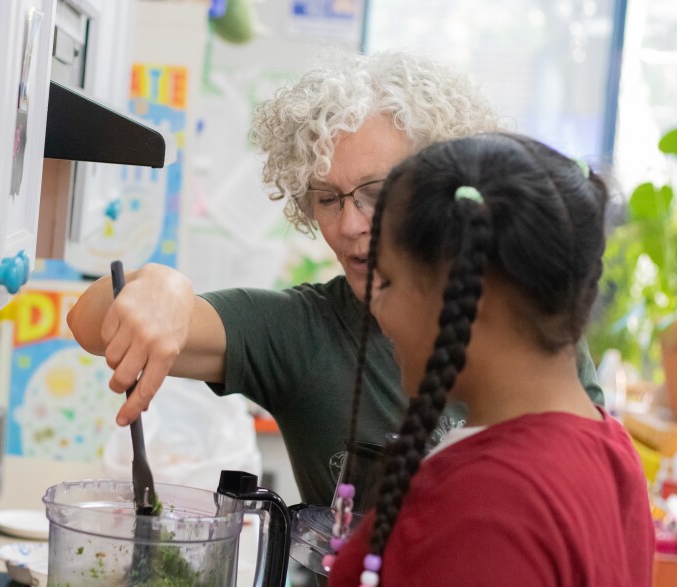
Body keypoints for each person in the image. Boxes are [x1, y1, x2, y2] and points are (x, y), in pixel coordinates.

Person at [67, 50, 603, 507]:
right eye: (326, 198)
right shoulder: (303, 334)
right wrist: (163, 287)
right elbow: (91, 322)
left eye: (375, 191)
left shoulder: (524, 325)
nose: (349, 224)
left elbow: (591, 485)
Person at [328, 133, 654, 586]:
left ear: (467, 292)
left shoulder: (487, 505)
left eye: (387, 282)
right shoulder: (612, 449)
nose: (377, 310)